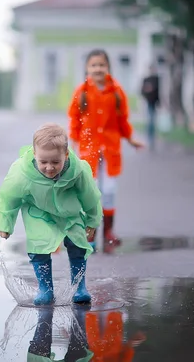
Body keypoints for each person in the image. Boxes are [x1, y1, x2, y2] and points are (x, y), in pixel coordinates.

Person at [0, 123, 102, 305]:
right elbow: (8, 198)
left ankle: (79, 287)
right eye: (43, 162)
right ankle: (45, 289)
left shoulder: (77, 171)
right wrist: (5, 224)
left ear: (66, 155)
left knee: (78, 243)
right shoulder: (22, 174)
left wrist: (92, 220)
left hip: (69, 212)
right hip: (39, 212)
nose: (49, 168)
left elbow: (90, 196)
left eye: (55, 162)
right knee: (39, 245)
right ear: (34, 154)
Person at [68, 49, 144, 252]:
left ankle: (108, 233)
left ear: (108, 67)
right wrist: (73, 145)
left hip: (110, 149)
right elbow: (74, 120)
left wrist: (130, 140)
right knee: (89, 192)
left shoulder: (117, 92)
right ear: (87, 68)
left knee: (109, 191)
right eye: (94, 65)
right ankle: (89, 234)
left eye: (101, 65)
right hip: (88, 149)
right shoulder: (82, 92)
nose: (98, 69)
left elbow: (122, 121)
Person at [140, 65, 161, 151]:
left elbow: (158, 91)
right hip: (148, 102)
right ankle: (149, 137)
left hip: (154, 102)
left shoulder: (157, 79)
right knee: (150, 120)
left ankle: (152, 137)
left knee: (152, 120)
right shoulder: (146, 79)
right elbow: (142, 91)